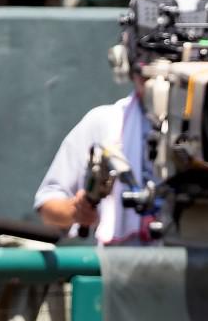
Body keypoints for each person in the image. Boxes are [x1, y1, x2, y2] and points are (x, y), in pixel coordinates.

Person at [32, 64, 158, 245]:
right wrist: (75, 210)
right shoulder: (104, 122)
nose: (150, 71)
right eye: (144, 60)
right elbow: (48, 206)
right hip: (121, 265)